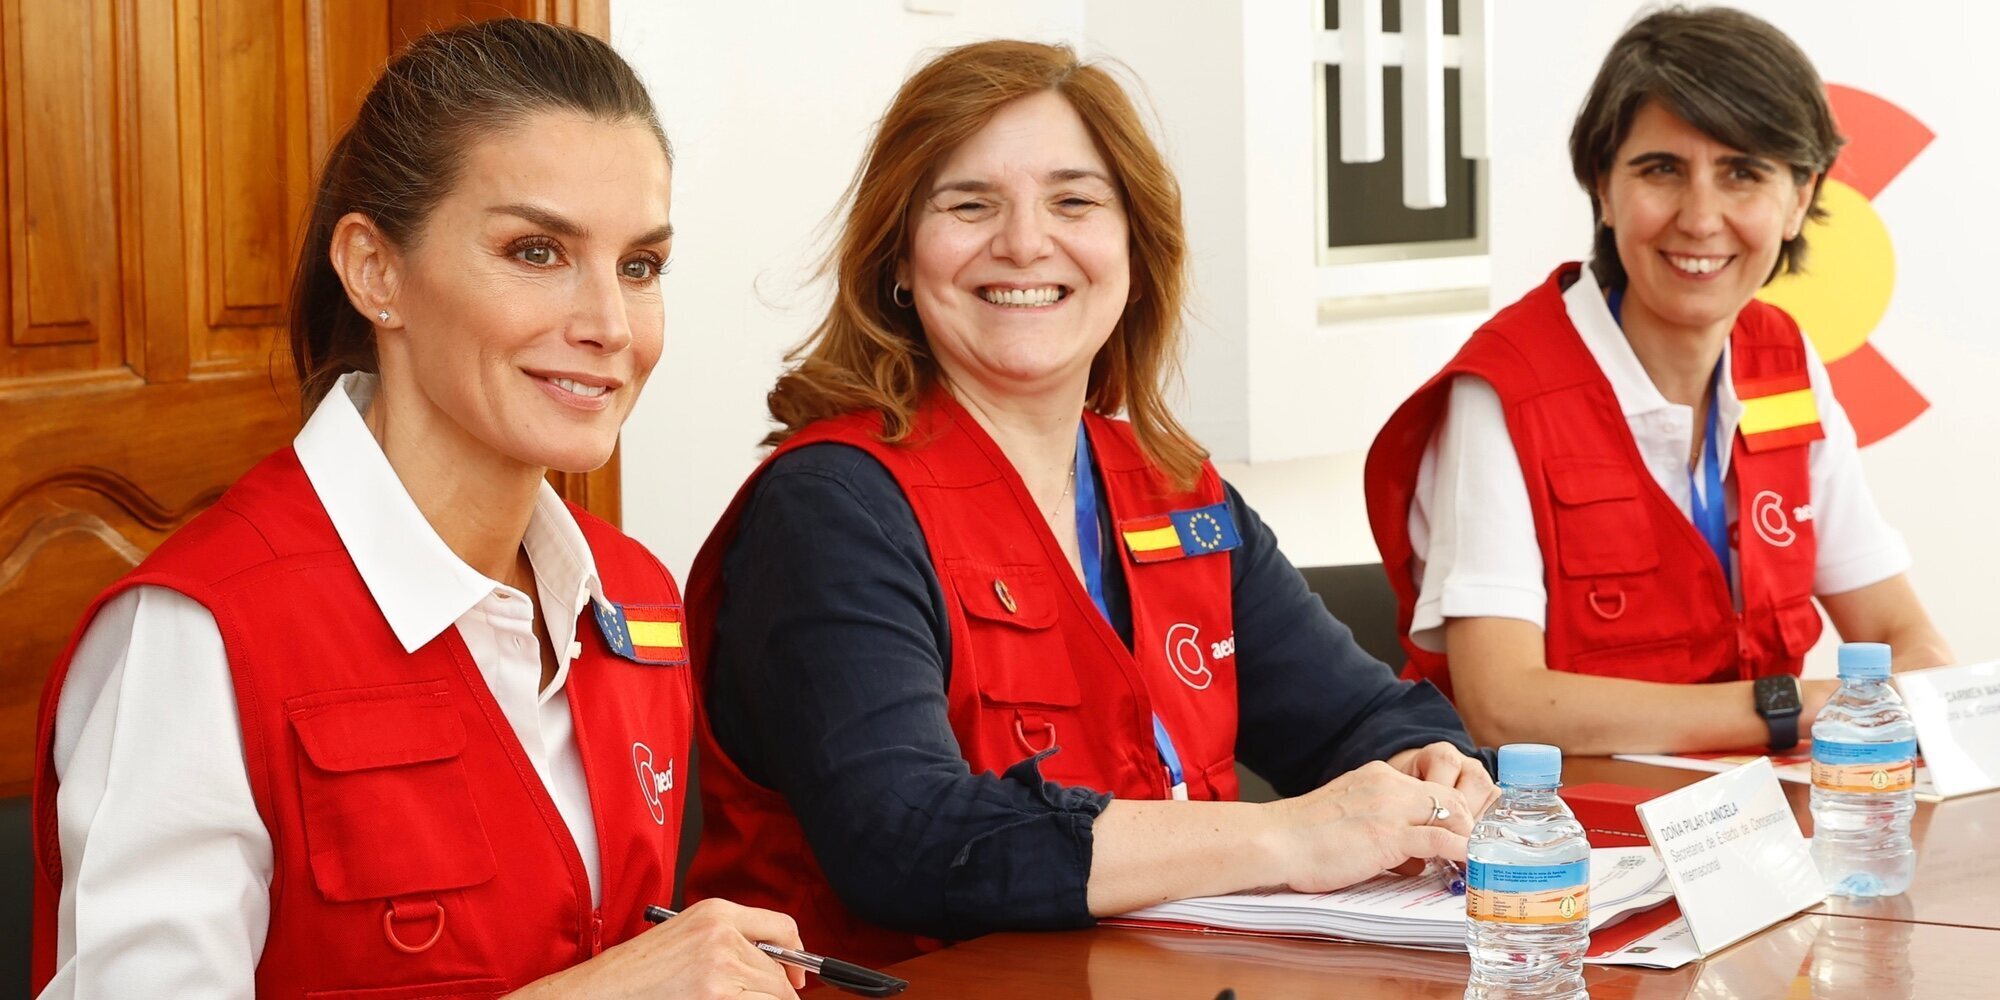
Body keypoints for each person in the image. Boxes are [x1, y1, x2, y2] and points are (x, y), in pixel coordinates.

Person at [30, 20, 805, 1000]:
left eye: (639, 267)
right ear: (374, 271)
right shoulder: (197, 637)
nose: (609, 325)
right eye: (536, 251)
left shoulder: (636, 601)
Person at [682, 39, 1496, 968]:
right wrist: (1289, 837)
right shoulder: (831, 508)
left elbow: (1364, 722)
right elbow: (904, 838)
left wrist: (1433, 770)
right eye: (969, 204)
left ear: (1134, 254)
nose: (1025, 242)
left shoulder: (1176, 487)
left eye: (1074, 201)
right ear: (898, 259)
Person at [1364, 6, 1952, 758]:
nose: (1701, 218)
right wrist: (1795, 708)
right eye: (1662, 170)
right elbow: (1506, 708)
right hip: (1562, 850)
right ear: (1602, 190)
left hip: (1761, 835)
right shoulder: (1503, 390)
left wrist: (1891, 693)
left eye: (1743, 173)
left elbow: (1912, 644)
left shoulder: (1783, 361)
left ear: (1800, 198)